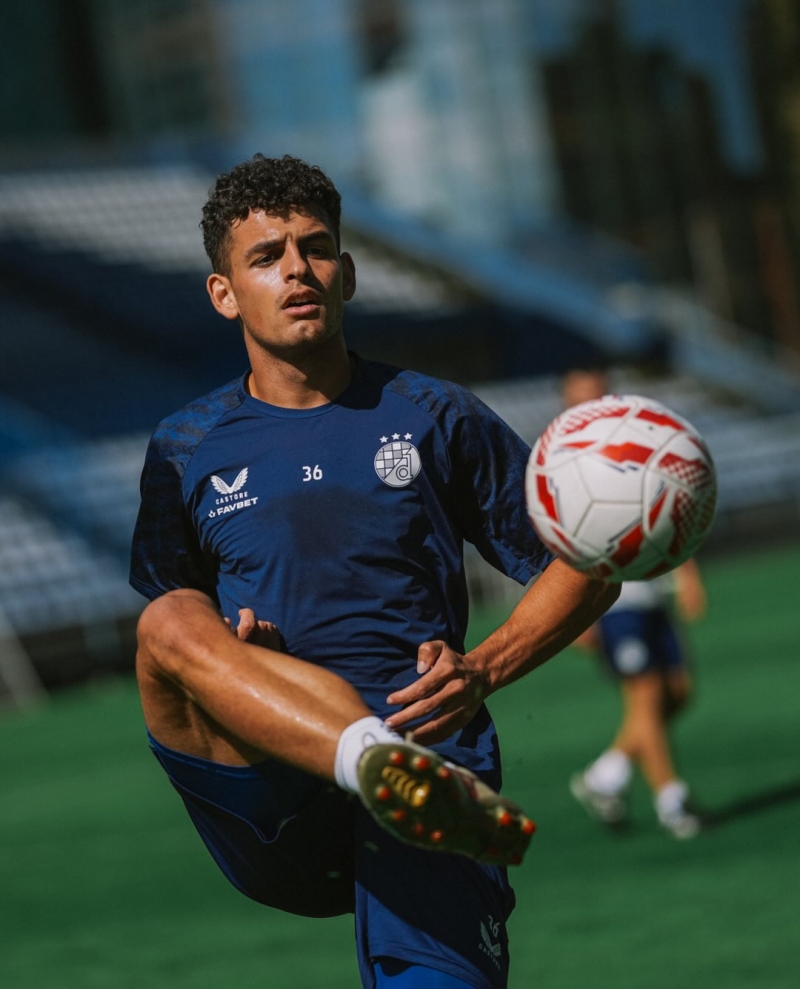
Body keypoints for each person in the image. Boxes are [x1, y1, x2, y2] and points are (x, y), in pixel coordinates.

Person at [130, 154, 619, 989]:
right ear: (224, 293)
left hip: (426, 752)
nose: (297, 269)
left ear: (348, 273)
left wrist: (483, 668)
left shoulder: (434, 413)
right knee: (165, 620)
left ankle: (389, 768)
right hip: (271, 766)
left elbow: (589, 562)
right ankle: (365, 754)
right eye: (267, 256)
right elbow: (181, 639)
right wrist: (240, 660)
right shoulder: (185, 446)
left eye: (316, 248)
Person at [561, 367, 708, 839]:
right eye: (580, 398)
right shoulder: (558, 462)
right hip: (609, 600)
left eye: (597, 395)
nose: (591, 405)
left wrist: (687, 573)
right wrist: (572, 615)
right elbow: (548, 538)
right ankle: (672, 801)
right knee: (645, 697)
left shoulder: (635, 446)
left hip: (650, 589)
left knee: (678, 691)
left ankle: (606, 776)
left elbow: (667, 506)